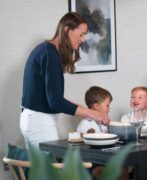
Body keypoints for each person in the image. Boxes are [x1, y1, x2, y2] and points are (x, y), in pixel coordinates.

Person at [20, 12, 110, 147]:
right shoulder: (50, 54)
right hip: (40, 122)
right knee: (50, 167)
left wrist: (82, 111)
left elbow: (53, 97)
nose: (84, 39)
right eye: (81, 34)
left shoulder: (45, 51)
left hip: (32, 120)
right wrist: (92, 113)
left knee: (39, 168)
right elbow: (56, 102)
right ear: (67, 30)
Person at [121, 86, 147, 180]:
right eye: (133, 97)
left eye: (140, 97)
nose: (135, 99)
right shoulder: (125, 119)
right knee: (122, 166)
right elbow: (125, 137)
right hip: (130, 154)